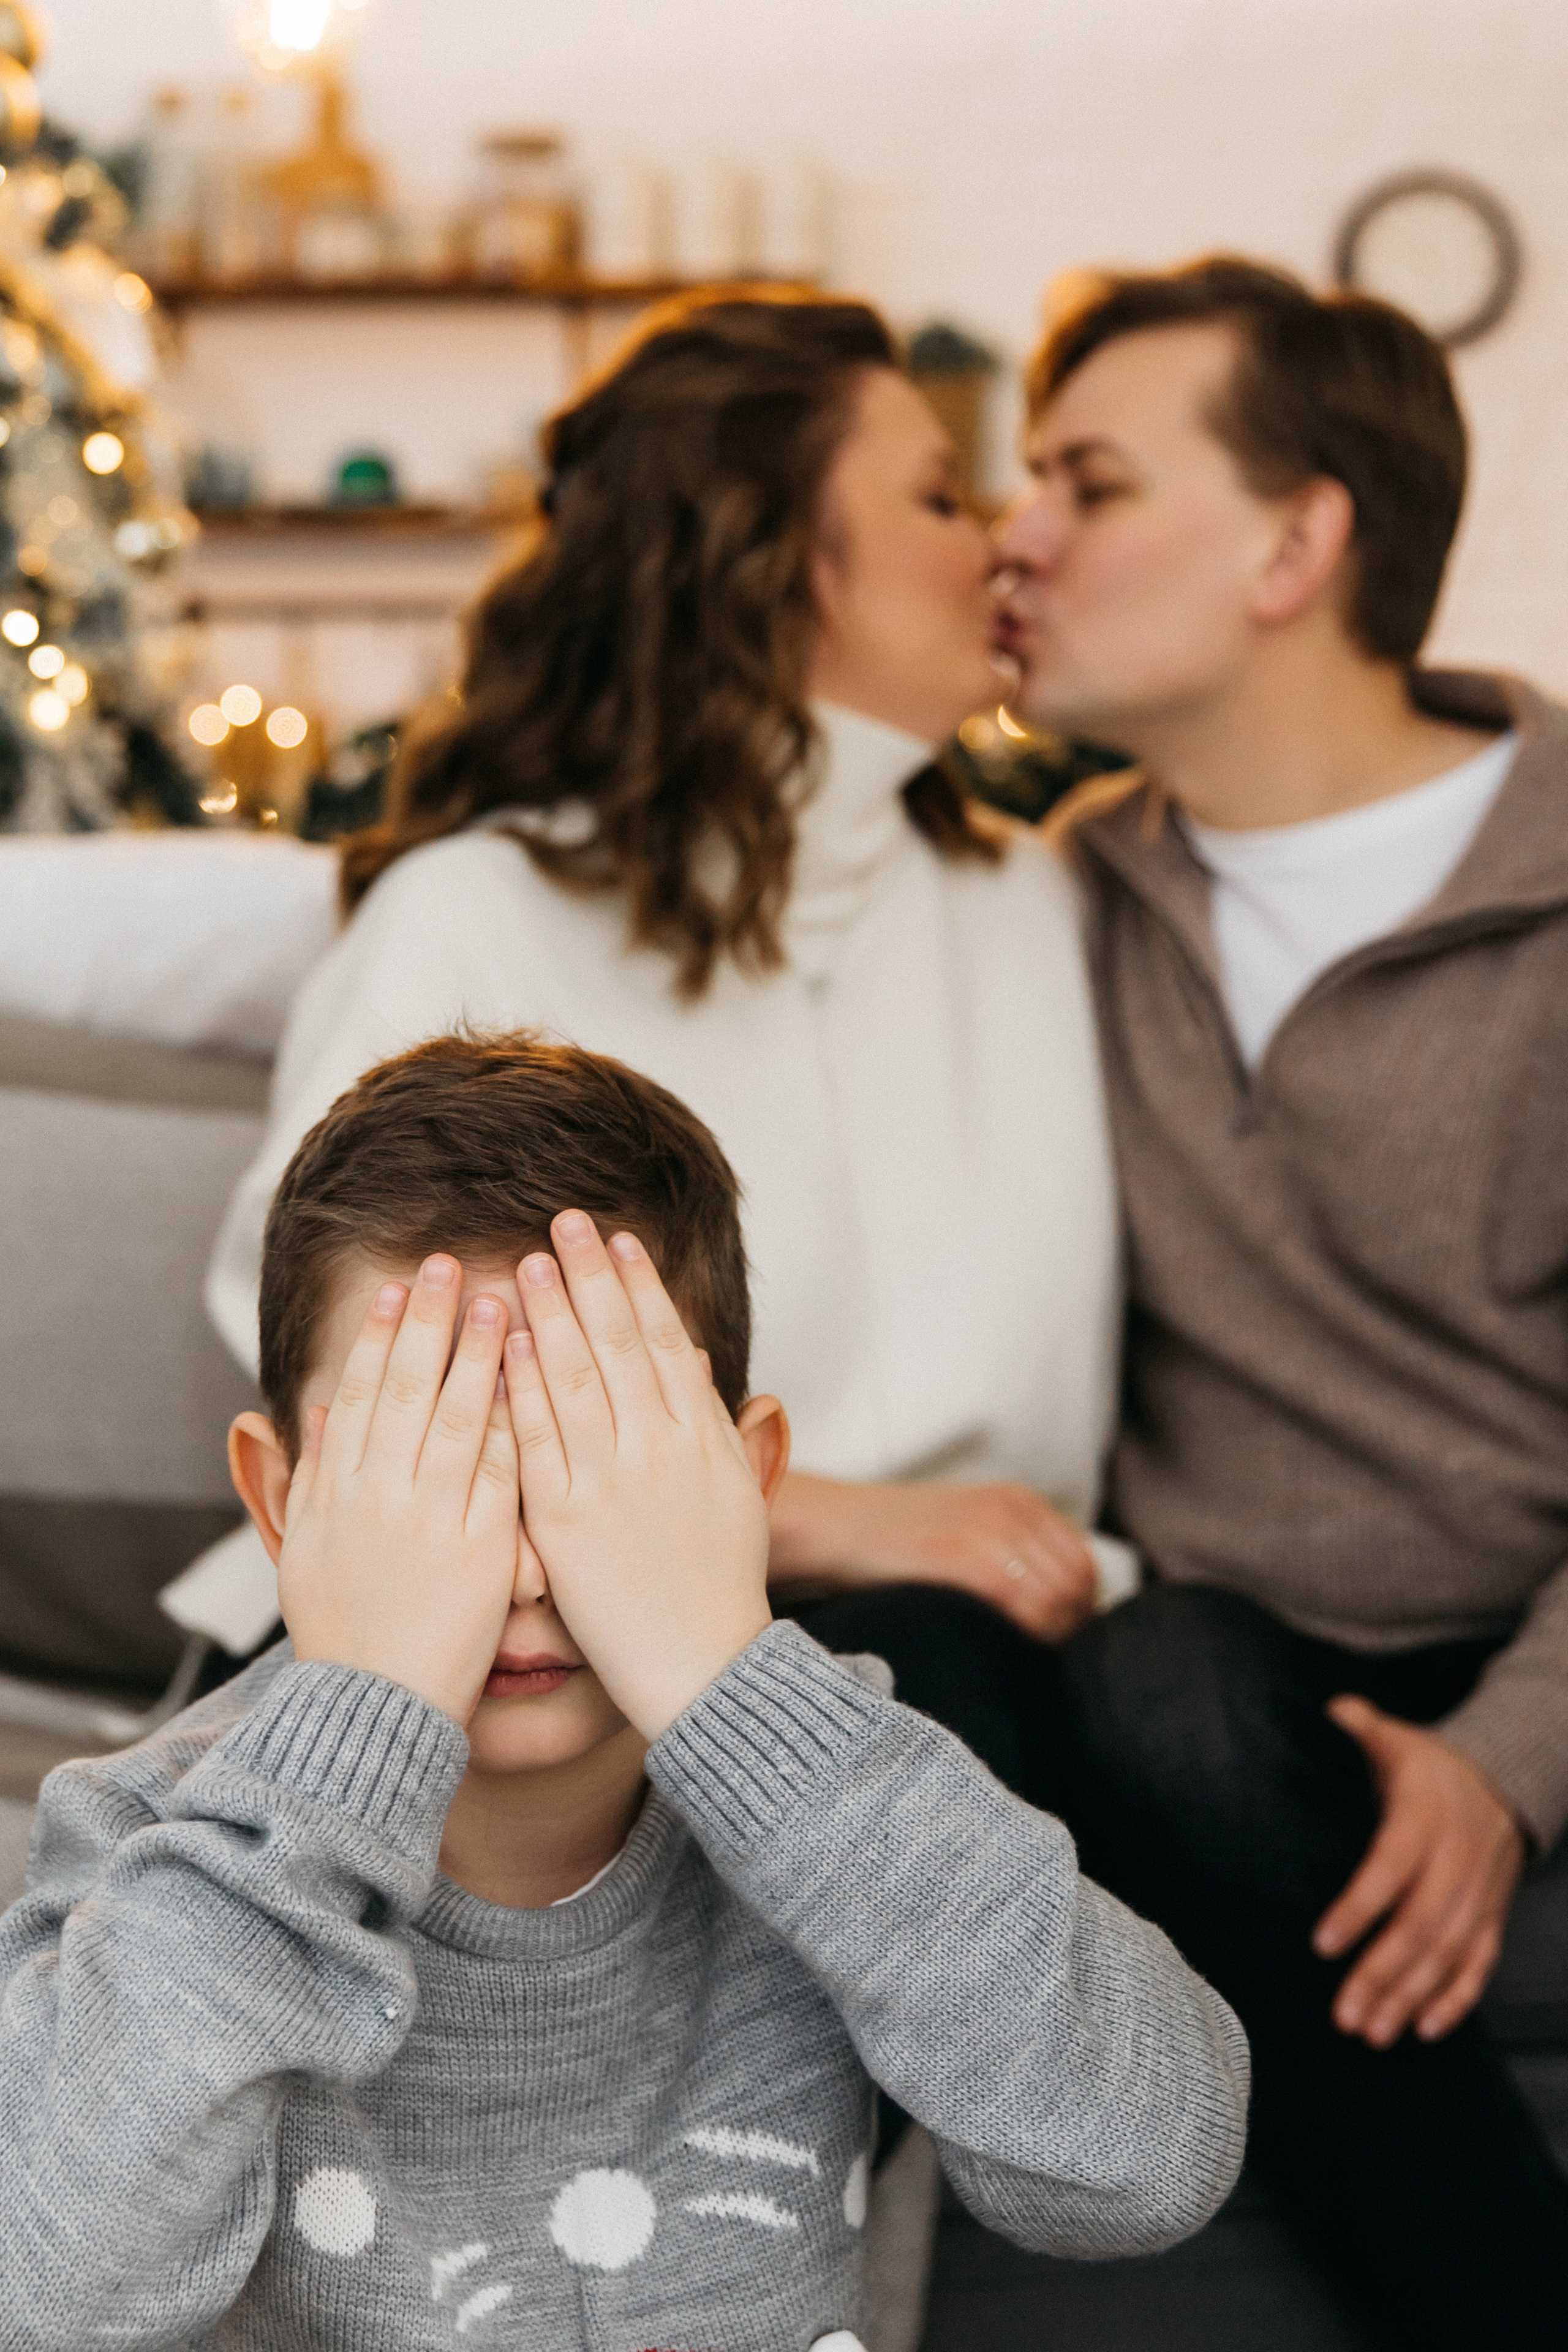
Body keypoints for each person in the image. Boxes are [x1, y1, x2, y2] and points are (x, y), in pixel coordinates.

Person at [0, 1030, 1250, 2351]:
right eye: (438, 1470)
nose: (528, 1570)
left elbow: (1144, 2164)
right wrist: (355, 1715)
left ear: (740, 1483)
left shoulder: (831, 1795)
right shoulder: (165, 1847)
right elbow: (42, 2294)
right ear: (283, 1500)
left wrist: (721, 1665)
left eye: (590, 1467)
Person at [205, 288, 1125, 1673]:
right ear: (769, 560)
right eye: (940, 498)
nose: (995, 542)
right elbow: (343, 1346)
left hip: (1016, 1622)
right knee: (926, 1671)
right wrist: (821, 1520)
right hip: (541, 1610)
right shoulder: (479, 906)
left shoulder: (1028, 900)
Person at [986, 255, 1568, 2349]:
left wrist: (1507, 1760)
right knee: (1146, 1681)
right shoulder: (1052, 889)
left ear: (1300, 541)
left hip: (1538, 1608)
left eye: (1089, 483)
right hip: (1229, 1664)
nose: (1016, 538)